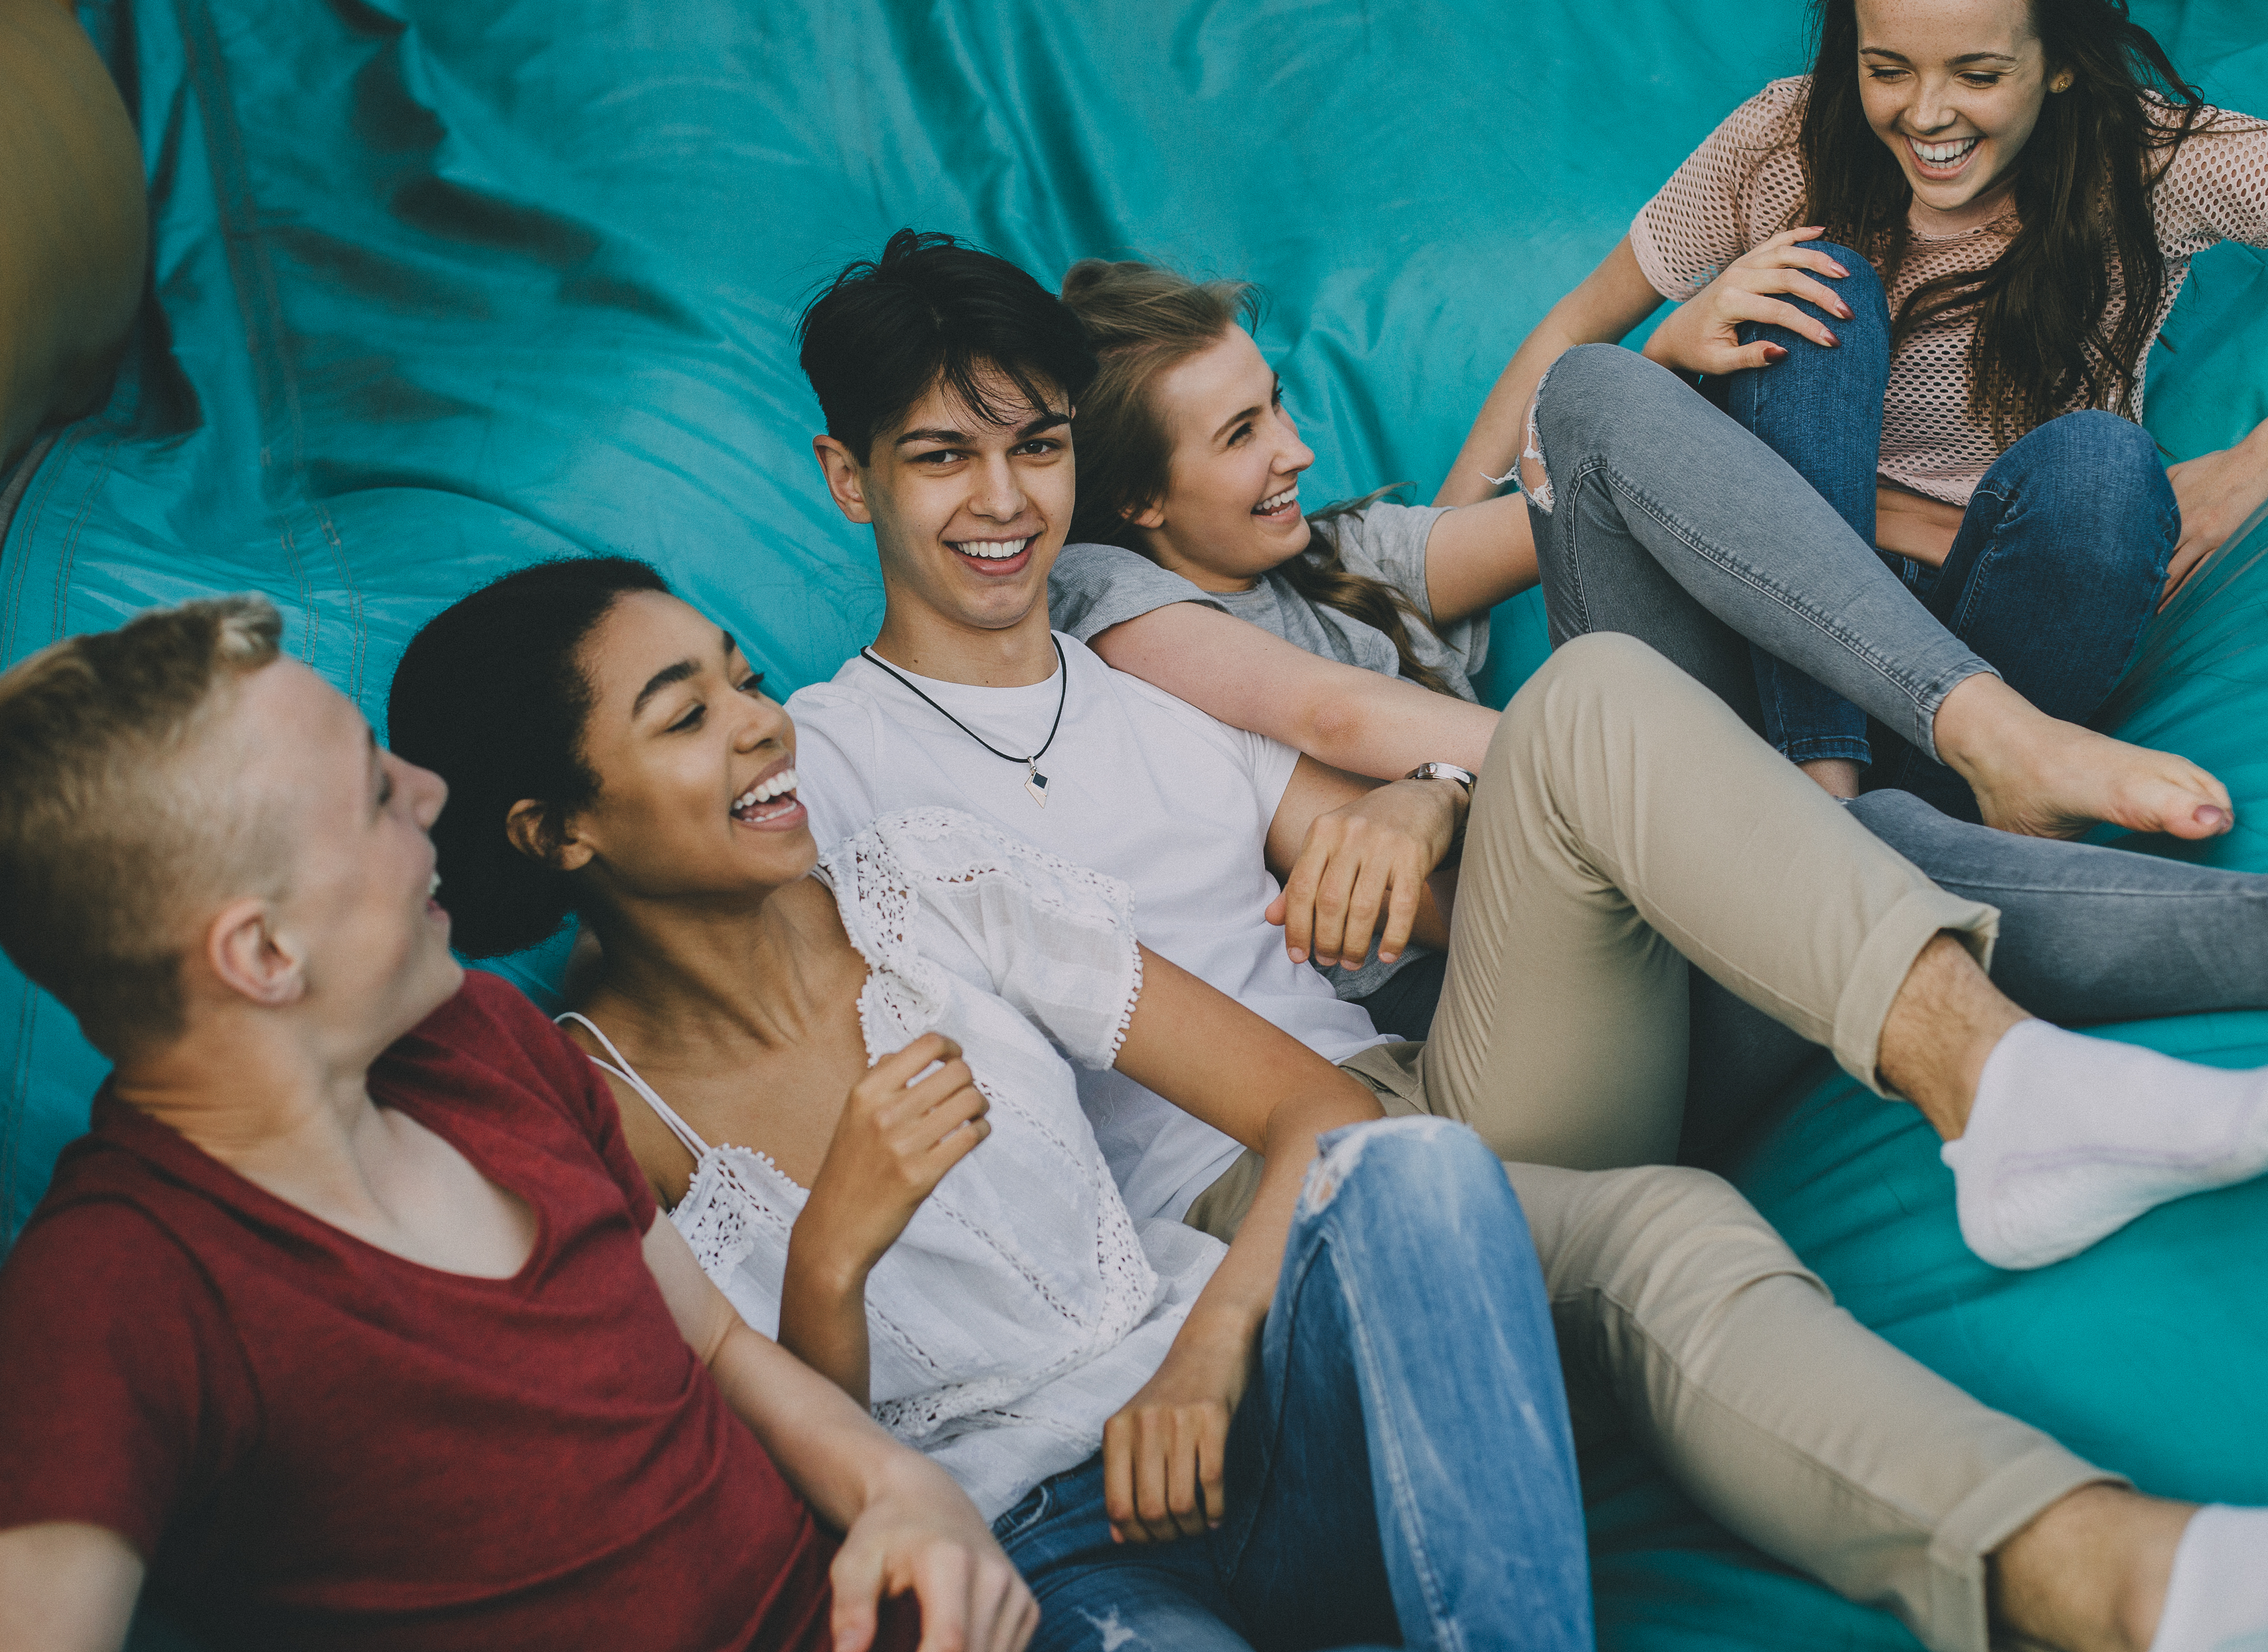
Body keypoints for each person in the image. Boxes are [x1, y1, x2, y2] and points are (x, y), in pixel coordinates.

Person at [776, 228, 2268, 1652]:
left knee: (1591, 701)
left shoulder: (1140, 654)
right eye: (942, 460)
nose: (1003, 503)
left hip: (1433, 1075)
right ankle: (2141, 1574)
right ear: (849, 477)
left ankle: (2009, 1083)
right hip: (1245, 1215)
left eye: (1035, 450)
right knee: (1665, 1206)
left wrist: (1416, 810)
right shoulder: (823, 766)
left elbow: (1387, 855)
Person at [386, 558, 1596, 1652]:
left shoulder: (924, 885)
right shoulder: (595, 1116)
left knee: (1423, 1170)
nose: (762, 723)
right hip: (1037, 1560)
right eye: (688, 716)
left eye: (743, 678)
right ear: (558, 831)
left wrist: (1208, 1357)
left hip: (1242, 1416)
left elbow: (1325, 1112)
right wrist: (829, 1256)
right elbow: (776, 1502)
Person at [1043, 255, 2268, 1088]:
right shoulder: (1110, 603)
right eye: (1237, 435)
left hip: (1658, 854)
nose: (1290, 445)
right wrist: (1662, 794)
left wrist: (1664, 356)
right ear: (1138, 504)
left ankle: (1880, 760)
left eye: (1277, 404)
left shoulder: (1334, 550)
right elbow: (1335, 715)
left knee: (1655, 373)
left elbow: (1559, 497)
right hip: (1542, 983)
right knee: (1847, 830)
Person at [0, 596, 1031, 1652]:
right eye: (371, 793)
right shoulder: (118, 1292)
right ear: (263, 954)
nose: (424, 793)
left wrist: (903, 1491)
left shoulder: (488, 1041)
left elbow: (721, 1346)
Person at [1440, 0, 2268, 815]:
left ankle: (1915, 806)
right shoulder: (1780, 142)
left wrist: (2261, 462)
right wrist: (1434, 579)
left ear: (2060, 63)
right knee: (1814, 284)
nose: (1926, 114)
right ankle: (1823, 790)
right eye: (1886, 68)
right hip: (1774, 601)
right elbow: (1577, 334)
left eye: (1977, 73)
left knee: (2108, 469)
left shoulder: (2150, 162)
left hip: (1994, 625)